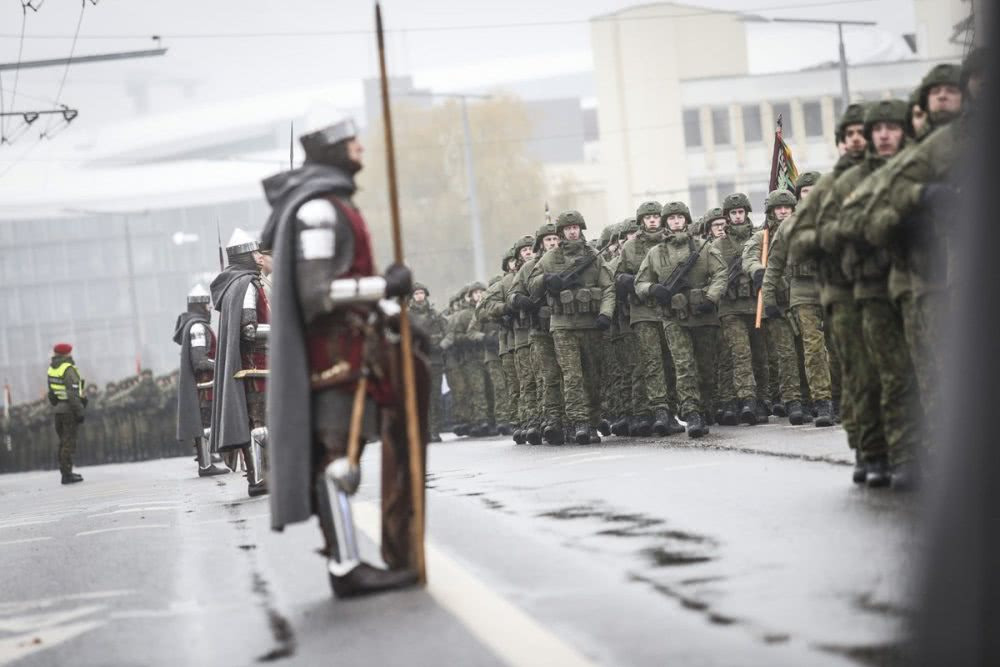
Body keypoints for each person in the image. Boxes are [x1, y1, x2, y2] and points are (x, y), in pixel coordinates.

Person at [261, 115, 425, 597]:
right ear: (330, 150)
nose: (360, 147)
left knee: (339, 454)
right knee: (337, 460)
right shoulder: (318, 210)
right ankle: (345, 568)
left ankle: (346, 562)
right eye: (351, 141)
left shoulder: (333, 203)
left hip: (353, 347)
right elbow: (316, 293)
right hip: (333, 354)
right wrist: (384, 284)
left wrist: (387, 302)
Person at [634, 201, 726, 437]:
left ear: (686, 220)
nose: (676, 221)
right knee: (684, 365)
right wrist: (654, 289)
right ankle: (692, 412)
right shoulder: (655, 253)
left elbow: (720, 273)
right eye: (671, 218)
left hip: (703, 315)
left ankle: (704, 407)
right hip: (673, 318)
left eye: (680, 217)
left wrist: (711, 298)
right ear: (667, 223)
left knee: (706, 366)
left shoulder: (703, 247)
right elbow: (640, 283)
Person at [528, 210, 615, 444]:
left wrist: (606, 313)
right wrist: (546, 280)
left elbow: (608, 287)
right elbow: (532, 287)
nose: (572, 231)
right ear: (561, 232)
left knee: (593, 377)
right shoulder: (549, 259)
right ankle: (580, 423)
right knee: (572, 376)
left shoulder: (594, 256)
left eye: (576, 227)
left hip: (591, 325)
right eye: (568, 228)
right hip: (563, 326)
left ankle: (594, 420)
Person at [209, 228, 270, 497]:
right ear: (244, 256)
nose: (259, 257)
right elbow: (248, 331)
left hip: (254, 365)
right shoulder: (246, 285)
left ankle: (262, 475)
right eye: (254, 252)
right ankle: (259, 478)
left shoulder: (239, 282)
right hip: (255, 365)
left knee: (257, 419)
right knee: (260, 421)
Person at [174, 284, 229, 477]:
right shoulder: (197, 327)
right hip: (205, 384)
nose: (209, 309)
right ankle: (205, 464)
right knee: (205, 424)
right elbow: (199, 361)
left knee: (206, 422)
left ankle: (206, 462)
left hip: (206, 384)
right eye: (207, 305)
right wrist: (222, 365)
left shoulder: (197, 324)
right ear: (199, 306)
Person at [46, 342, 86, 484]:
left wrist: (58, 405)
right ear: (66, 354)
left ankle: (65, 471)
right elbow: (73, 393)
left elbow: (51, 394)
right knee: (69, 441)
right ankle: (67, 474)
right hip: (69, 409)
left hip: (59, 409)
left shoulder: (52, 369)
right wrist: (79, 410)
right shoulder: (68, 368)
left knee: (63, 441)